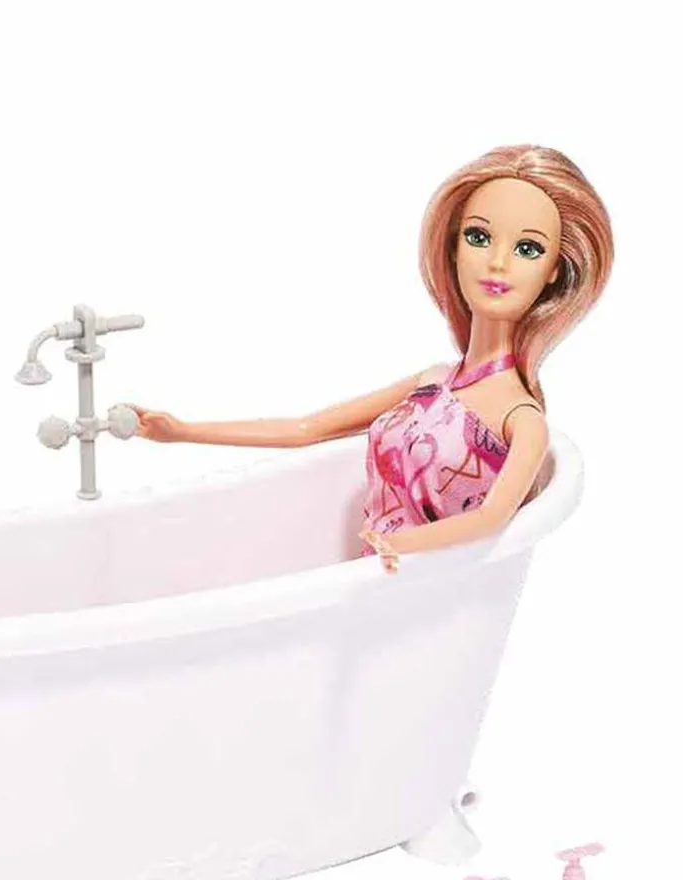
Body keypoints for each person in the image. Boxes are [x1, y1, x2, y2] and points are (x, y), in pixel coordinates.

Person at [128, 145, 614, 573]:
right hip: (372, 581)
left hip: (428, 588)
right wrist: (183, 431)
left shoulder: (522, 420)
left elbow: (492, 520)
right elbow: (306, 428)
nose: (498, 262)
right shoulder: (433, 384)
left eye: (527, 248)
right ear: (452, 247)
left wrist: (399, 546)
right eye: (479, 237)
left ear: (555, 271)